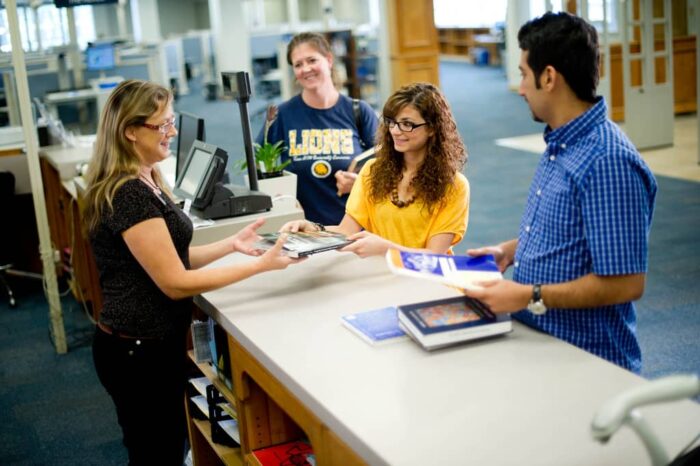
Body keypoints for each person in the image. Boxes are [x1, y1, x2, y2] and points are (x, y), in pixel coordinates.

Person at [82, 79, 299, 465]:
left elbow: (175, 257)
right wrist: (259, 266)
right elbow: (174, 282)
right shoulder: (128, 193)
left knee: (164, 445)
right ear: (130, 131)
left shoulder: (148, 177)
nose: (172, 131)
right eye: (162, 125)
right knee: (156, 453)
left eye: (171, 122)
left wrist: (230, 246)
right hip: (136, 352)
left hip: (150, 345)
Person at [464, 12, 657, 373]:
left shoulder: (607, 161)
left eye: (523, 74)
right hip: (542, 341)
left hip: (588, 360)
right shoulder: (563, 142)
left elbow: (626, 283)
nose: (520, 88)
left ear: (549, 77)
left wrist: (528, 294)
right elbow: (573, 232)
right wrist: (509, 250)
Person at [281, 82, 469, 258]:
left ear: (432, 129)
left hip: (428, 282)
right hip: (380, 275)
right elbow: (346, 231)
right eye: (392, 122)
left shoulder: (454, 185)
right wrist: (312, 229)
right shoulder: (373, 171)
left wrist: (387, 249)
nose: (395, 131)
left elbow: (434, 257)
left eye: (407, 124)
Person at [257, 32, 379, 226]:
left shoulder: (358, 111)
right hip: (301, 230)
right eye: (298, 64)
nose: (305, 69)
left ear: (329, 60)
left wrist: (360, 183)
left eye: (312, 60)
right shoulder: (281, 115)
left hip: (354, 228)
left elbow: (392, 167)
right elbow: (257, 165)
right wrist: (279, 197)